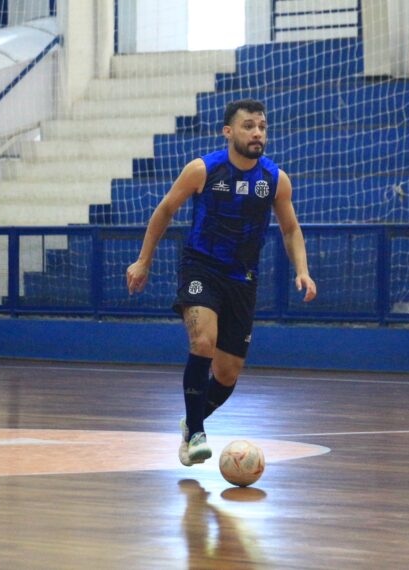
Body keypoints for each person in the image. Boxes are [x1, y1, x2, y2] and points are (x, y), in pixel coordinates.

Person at [126, 99, 317, 466]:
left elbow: (291, 229)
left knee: (227, 374)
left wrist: (302, 270)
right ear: (228, 131)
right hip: (201, 268)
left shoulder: (274, 179)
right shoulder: (203, 170)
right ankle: (197, 433)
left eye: (262, 125)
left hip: (242, 279)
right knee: (203, 341)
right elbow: (166, 209)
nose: (257, 132)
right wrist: (143, 260)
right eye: (248, 125)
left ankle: (191, 420)